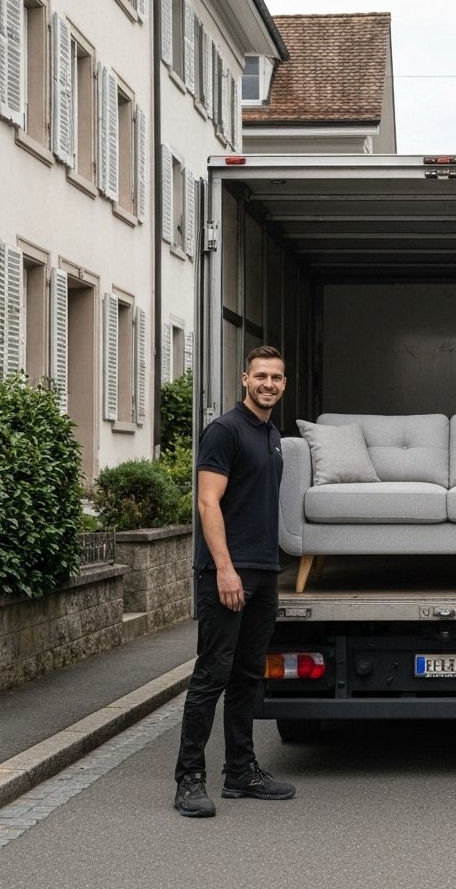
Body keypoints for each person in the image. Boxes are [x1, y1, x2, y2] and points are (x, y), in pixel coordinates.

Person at [174, 346, 296, 817]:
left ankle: (240, 772)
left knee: (248, 674)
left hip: (263, 570)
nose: (269, 384)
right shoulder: (224, 430)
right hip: (227, 571)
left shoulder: (271, 434)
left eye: (277, 378)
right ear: (245, 378)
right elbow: (208, 502)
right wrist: (224, 568)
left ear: (284, 384)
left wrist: (266, 569)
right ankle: (189, 780)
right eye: (261, 376)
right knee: (212, 674)